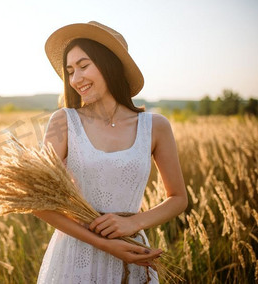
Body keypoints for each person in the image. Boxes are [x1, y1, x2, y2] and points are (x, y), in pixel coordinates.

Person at [33, 21, 188, 283]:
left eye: (84, 66)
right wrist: (105, 245)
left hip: (133, 252)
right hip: (74, 258)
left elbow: (178, 198)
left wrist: (134, 222)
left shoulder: (156, 126)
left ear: (110, 64)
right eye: (70, 71)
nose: (76, 79)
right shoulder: (64, 122)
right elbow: (37, 201)